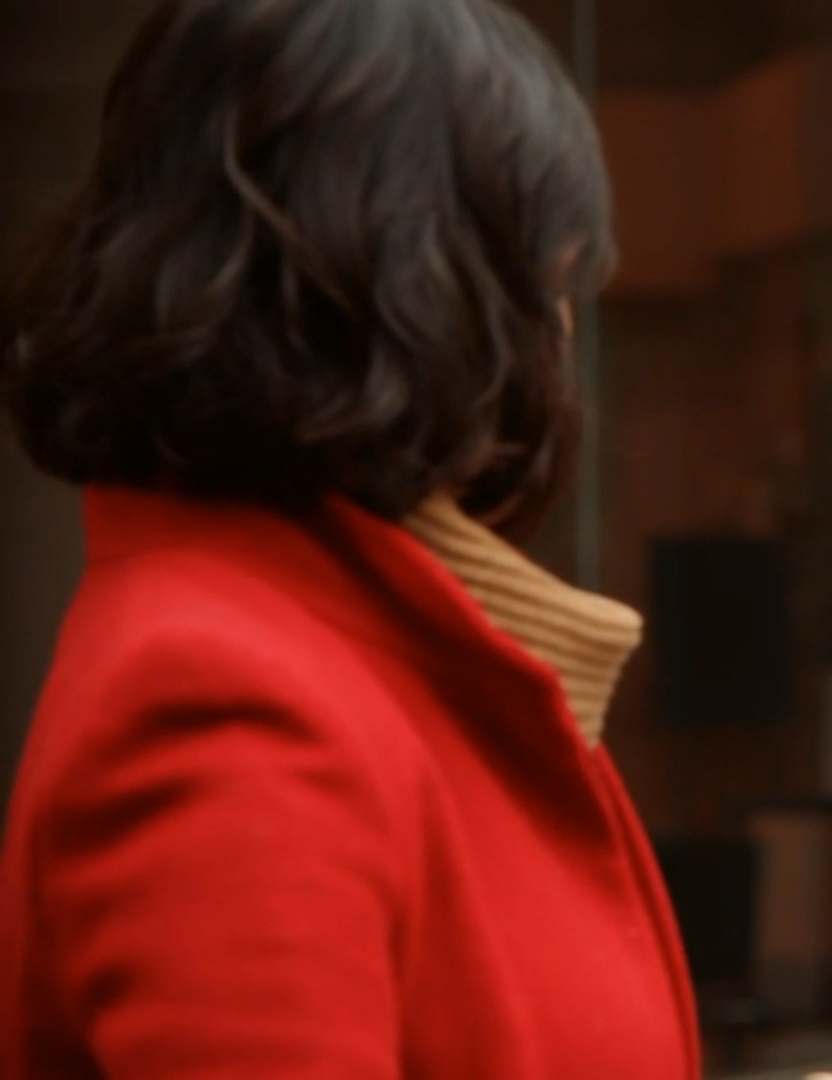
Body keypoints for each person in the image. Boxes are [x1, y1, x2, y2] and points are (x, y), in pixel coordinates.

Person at [0, 1, 697, 1076]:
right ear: (428, 288)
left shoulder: (339, 644)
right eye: (548, 286)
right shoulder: (223, 697)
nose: (562, 340)